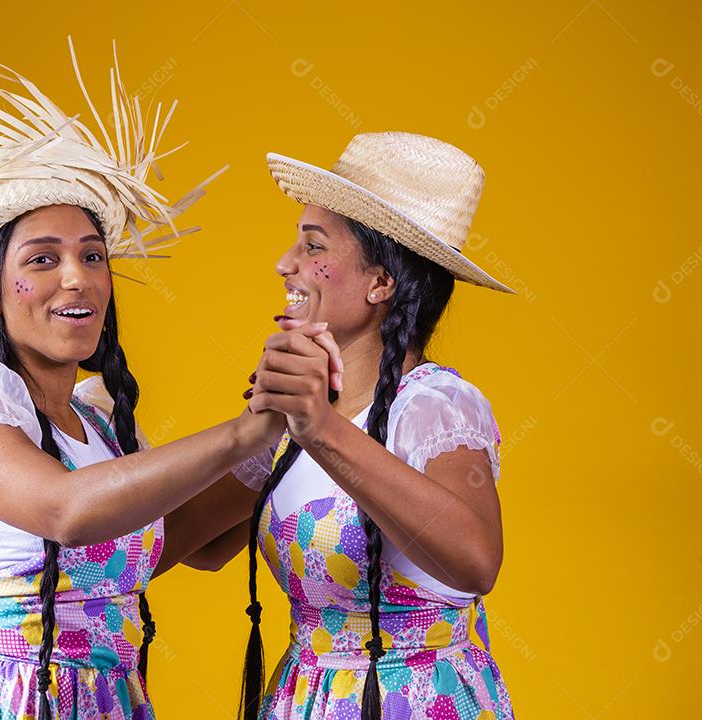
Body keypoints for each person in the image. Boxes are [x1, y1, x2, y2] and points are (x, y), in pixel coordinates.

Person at [0, 42, 341, 720]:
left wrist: (291, 431)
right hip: (12, 702)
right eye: (42, 259)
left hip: (106, 701)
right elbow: (65, 512)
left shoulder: (95, 424)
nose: (77, 277)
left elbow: (194, 544)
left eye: (92, 256)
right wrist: (248, 430)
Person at [217, 132, 520, 719]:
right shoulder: (294, 417)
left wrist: (321, 428)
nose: (286, 264)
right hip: (307, 698)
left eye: (313, 246)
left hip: (412, 701)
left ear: (381, 283)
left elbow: (477, 560)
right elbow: (193, 546)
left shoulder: (434, 405)